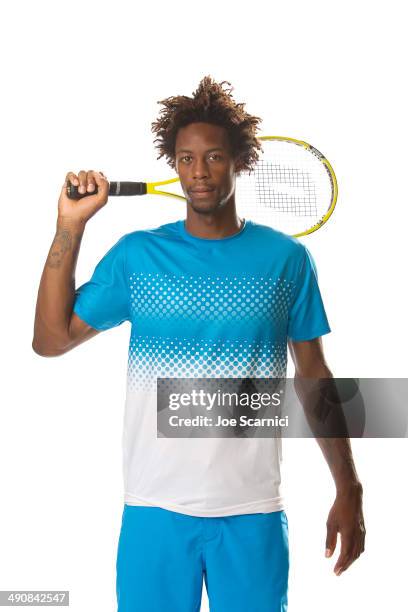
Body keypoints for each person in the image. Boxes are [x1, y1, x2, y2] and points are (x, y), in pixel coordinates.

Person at [32, 76, 365, 612]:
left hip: (254, 513)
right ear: (174, 164)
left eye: (213, 156)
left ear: (240, 161)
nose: (199, 172)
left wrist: (349, 487)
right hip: (153, 512)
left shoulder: (286, 260)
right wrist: (69, 226)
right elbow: (50, 340)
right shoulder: (139, 255)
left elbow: (315, 379)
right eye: (186, 159)